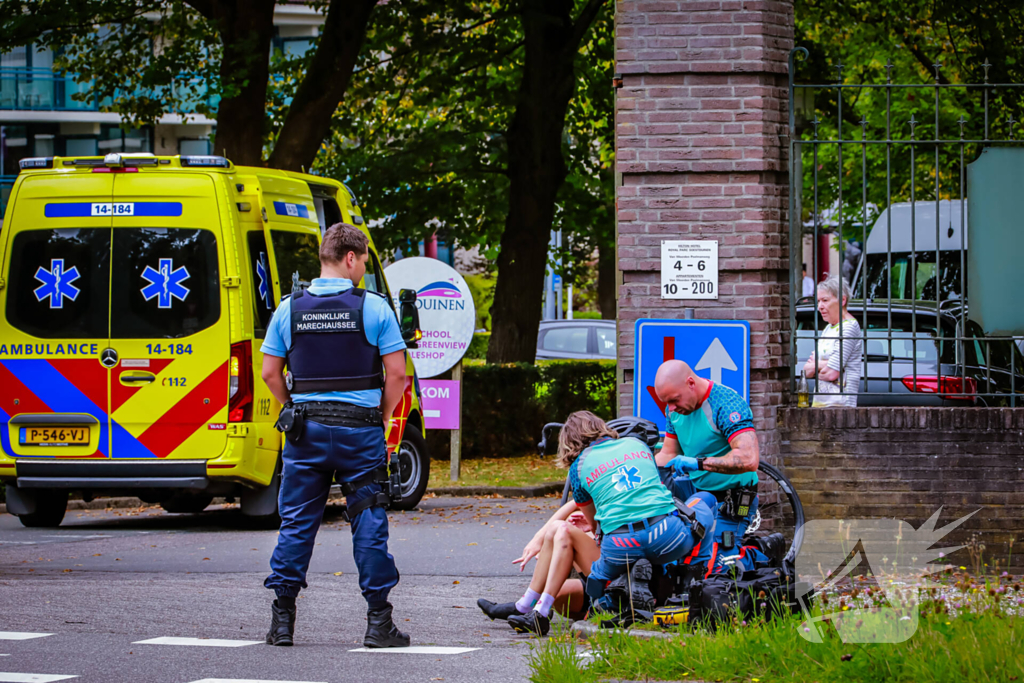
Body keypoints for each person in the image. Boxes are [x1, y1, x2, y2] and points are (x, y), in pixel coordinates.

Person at [260, 223, 410, 648]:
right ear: (350, 258)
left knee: (296, 522)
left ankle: (282, 622)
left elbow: (270, 372)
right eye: (363, 261)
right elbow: (396, 373)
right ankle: (379, 624)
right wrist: (381, 415)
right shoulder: (375, 308)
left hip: (305, 430)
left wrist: (292, 405)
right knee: (368, 519)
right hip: (359, 433)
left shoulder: (288, 308)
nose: (363, 268)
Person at [526, 410, 717, 635]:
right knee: (706, 502)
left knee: (582, 550)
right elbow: (651, 490)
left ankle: (605, 596)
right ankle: (694, 580)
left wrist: (596, 526)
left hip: (618, 550)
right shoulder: (640, 446)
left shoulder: (579, 467)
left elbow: (597, 527)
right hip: (666, 538)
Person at [653, 360, 760, 553]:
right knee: (687, 552)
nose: (671, 408)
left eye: (675, 400)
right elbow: (668, 453)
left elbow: (748, 459)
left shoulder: (726, 403)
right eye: (666, 402)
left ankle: (761, 556)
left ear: (691, 383)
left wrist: (699, 463)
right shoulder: (675, 411)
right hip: (700, 494)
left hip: (736, 497)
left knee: (719, 558)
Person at [476, 511, 599, 635]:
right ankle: (528, 605)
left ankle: (539, 612)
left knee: (564, 529)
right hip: (601, 567)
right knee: (559, 595)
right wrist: (540, 537)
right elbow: (575, 502)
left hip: (615, 573)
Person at [803, 275, 863, 407]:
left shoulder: (849, 327)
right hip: (821, 404)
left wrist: (817, 365)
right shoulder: (828, 329)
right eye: (818, 301)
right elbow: (806, 371)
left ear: (842, 300)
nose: (820, 306)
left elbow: (831, 374)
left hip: (841, 405)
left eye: (825, 300)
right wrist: (828, 364)